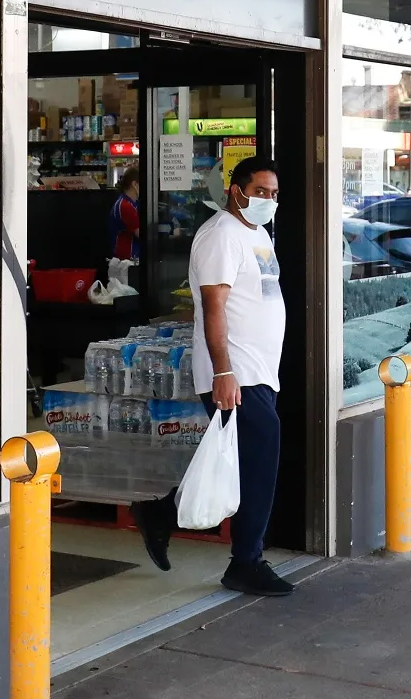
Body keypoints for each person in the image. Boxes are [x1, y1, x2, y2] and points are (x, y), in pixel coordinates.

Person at [131, 158, 292, 597]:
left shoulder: (257, 234)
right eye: (261, 191)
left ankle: (162, 515)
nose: (269, 200)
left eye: (274, 194)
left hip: (260, 369)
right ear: (235, 191)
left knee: (240, 464)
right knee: (258, 463)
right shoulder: (220, 235)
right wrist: (224, 371)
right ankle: (245, 562)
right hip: (235, 371)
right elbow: (214, 308)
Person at [108, 167, 142, 261]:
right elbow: (142, 235)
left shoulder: (129, 203)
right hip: (126, 261)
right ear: (134, 184)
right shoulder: (125, 206)